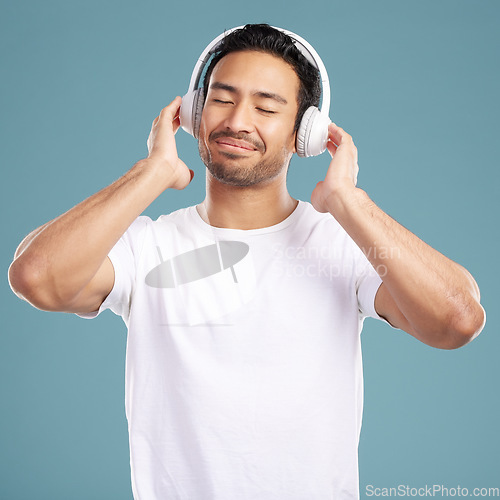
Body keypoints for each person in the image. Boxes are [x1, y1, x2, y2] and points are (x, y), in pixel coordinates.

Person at [8, 24, 485, 500]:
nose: (238, 121)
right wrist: (152, 172)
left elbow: (457, 320)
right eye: (221, 98)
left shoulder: (345, 249)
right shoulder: (145, 248)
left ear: (306, 131)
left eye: (266, 106)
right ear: (193, 112)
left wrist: (347, 201)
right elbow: (36, 278)